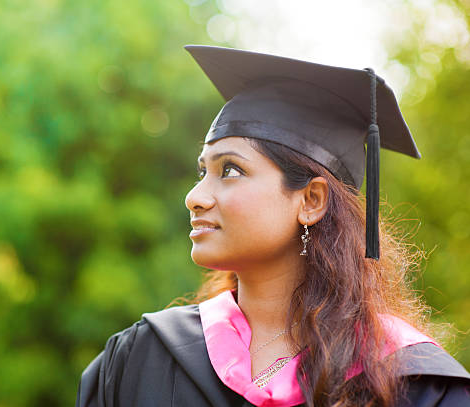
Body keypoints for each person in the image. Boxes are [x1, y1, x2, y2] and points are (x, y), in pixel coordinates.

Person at [75, 45, 470, 407]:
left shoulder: (412, 383)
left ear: (311, 201)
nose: (194, 197)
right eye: (202, 171)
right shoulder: (142, 356)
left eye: (230, 170)